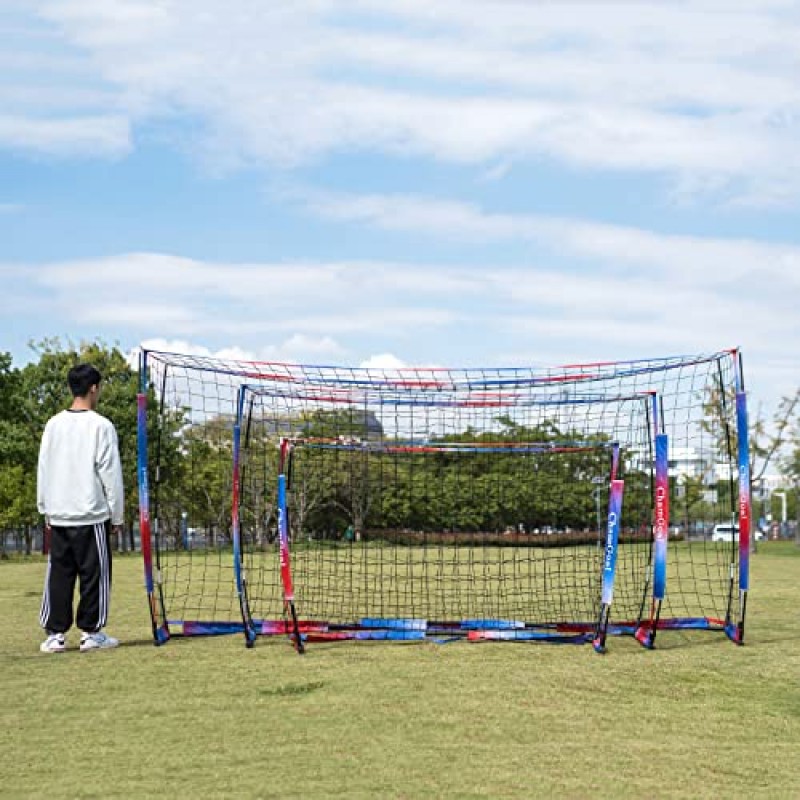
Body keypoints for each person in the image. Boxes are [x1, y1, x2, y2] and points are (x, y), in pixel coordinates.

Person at [37, 364, 124, 653]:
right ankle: (91, 632)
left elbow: (43, 468)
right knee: (94, 574)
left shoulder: (53, 424)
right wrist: (117, 514)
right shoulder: (101, 425)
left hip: (59, 511)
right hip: (90, 513)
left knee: (59, 574)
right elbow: (110, 473)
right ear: (94, 388)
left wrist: (45, 508)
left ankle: (55, 635)